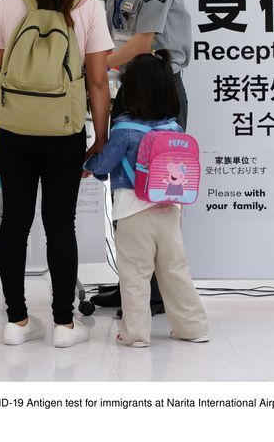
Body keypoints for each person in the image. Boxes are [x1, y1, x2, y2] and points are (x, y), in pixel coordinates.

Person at [0, 0, 113, 348]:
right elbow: (99, 82)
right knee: (59, 224)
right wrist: (99, 138)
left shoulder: (10, 2)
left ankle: (16, 322)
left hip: (12, 130)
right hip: (63, 131)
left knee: (15, 221)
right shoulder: (87, 6)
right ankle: (65, 325)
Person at [70, 0, 193, 311]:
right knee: (126, 187)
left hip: (160, 92)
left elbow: (142, 43)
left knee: (158, 189)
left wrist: (94, 65)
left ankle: (157, 294)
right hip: (130, 89)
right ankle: (132, 282)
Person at [83, 50, 209, 347]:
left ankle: (136, 333)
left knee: (135, 275)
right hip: (169, 211)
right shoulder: (174, 128)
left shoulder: (124, 129)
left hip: (132, 213)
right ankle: (193, 328)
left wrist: (88, 167)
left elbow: (104, 166)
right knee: (175, 271)